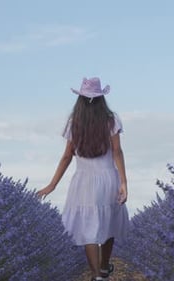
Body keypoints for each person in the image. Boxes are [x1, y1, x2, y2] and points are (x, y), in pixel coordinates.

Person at [37, 77, 129, 281]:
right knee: (108, 223)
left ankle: (96, 275)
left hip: (84, 181)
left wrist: (52, 185)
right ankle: (104, 268)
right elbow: (117, 152)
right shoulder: (110, 119)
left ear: (80, 99)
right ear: (101, 99)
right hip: (108, 179)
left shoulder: (74, 123)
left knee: (89, 229)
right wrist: (124, 182)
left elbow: (67, 156)